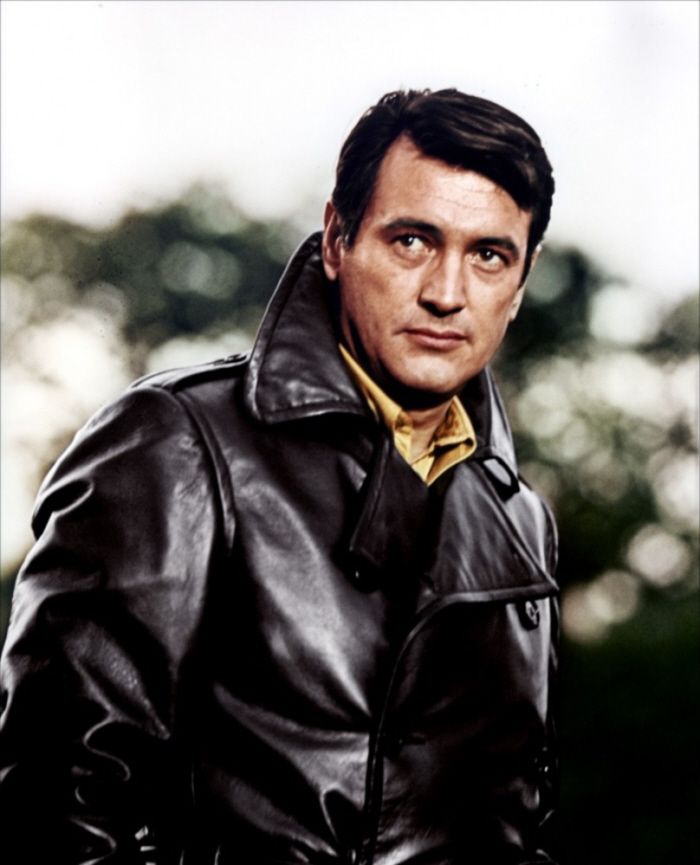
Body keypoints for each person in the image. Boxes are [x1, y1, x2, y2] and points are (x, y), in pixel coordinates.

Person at [0, 88, 559, 864]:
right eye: (411, 241)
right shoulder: (177, 442)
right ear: (336, 240)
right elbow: (60, 808)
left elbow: (515, 823)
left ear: (521, 282)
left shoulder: (522, 520)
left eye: (489, 255)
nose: (446, 293)